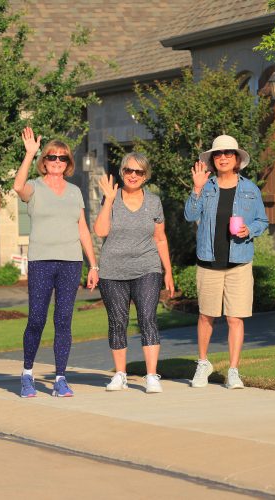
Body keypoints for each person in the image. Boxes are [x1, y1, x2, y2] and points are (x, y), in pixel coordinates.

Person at [13, 127, 99, 398]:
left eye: (62, 158)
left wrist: (93, 265)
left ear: (68, 163)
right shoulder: (35, 188)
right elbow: (17, 187)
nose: (57, 162)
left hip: (70, 263)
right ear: (45, 161)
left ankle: (60, 378)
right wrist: (29, 154)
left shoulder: (75, 192)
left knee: (63, 320)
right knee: (37, 319)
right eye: (52, 157)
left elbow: (83, 228)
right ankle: (27, 374)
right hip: (41, 261)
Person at [184, 135, 268, 389]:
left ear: (237, 159)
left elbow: (262, 222)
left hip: (239, 263)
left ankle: (233, 370)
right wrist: (196, 188)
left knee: (235, 318)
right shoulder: (206, 187)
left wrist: (249, 230)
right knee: (206, 316)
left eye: (228, 154)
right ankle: (202, 364)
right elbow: (190, 215)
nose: (222, 158)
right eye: (218, 155)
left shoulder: (250, 189)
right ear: (212, 160)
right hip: (208, 262)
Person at [94, 152, 174, 394]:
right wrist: (108, 200)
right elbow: (100, 231)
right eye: (129, 170)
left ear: (145, 175)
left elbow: (160, 239)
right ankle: (120, 375)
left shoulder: (153, 202)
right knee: (117, 321)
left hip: (147, 267)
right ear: (122, 172)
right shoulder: (111, 198)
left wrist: (168, 271)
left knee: (147, 318)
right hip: (112, 270)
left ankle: (151, 376)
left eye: (139, 172)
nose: (133, 175)